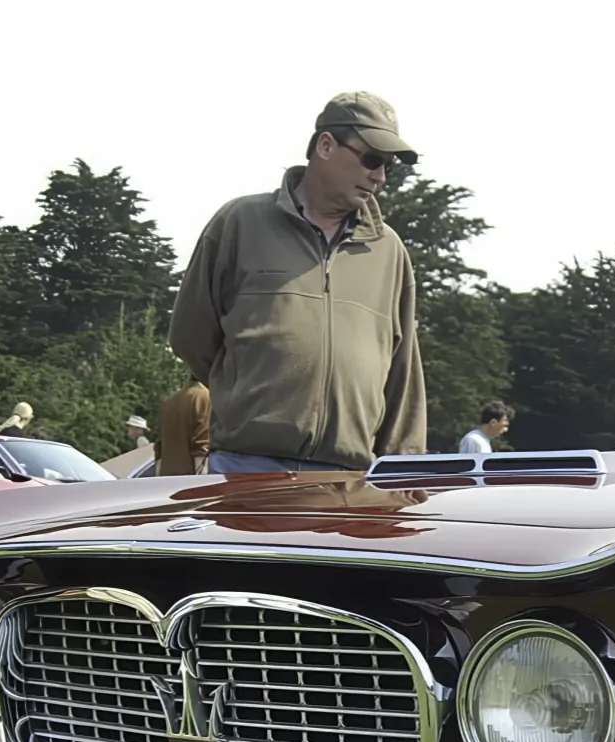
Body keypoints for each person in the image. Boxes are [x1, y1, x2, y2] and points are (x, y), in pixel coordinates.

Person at [170, 91, 426, 475]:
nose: (380, 176)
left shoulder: (389, 251)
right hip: (245, 466)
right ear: (325, 145)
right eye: (372, 159)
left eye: (388, 166)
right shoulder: (240, 223)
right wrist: (246, 391)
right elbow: (191, 334)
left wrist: (405, 466)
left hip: (347, 478)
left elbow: (402, 368)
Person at [156, 379, 212, 477]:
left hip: (168, 481)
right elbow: (201, 449)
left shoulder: (169, 402)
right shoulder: (204, 396)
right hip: (190, 482)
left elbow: (159, 450)